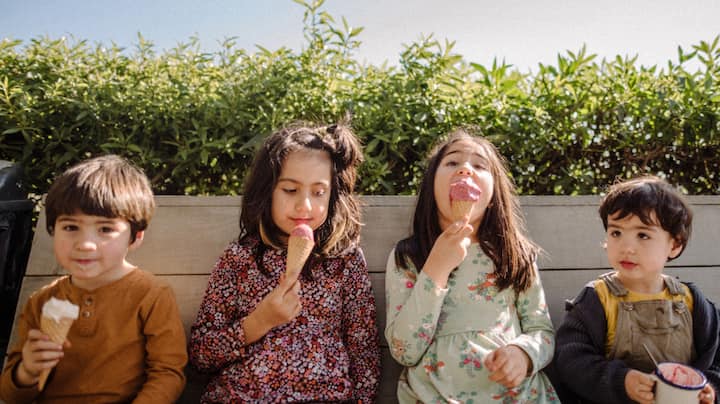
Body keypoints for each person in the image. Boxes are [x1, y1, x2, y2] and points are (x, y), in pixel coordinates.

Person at [189, 122, 381, 403]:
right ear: (267, 192)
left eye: (318, 192)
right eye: (290, 190)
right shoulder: (239, 258)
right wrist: (258, 322)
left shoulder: (344, 261)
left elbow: (364, 353)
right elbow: (200, 355)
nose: (304, 205)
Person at [384, 128, 560, 403]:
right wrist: (436, 269)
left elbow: (542, 331)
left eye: (479, 165)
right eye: (452, 162)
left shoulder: (515, 255)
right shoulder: (409, 256)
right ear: (431, 185)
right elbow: (404, 350)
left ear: (493, 194)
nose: (465, 169)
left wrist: (524, 354)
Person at [0, 155, 188, 403]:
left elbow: (168, 373)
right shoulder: (42, 302)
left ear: (136, 236)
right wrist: (27, 371)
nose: (85, 244)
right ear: (52, 231)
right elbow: (10, 394)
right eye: (70, 227)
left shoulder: (151, 295)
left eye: (105, 229)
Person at [550, 175, 719, 404]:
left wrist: (710, 387)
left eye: (643, 235)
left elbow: (717, 358)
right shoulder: (597, 299)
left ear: (675, 244)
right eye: (616, 233)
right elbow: (570, 359)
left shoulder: (691, 301)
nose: (626, 247)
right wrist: (621, 381)